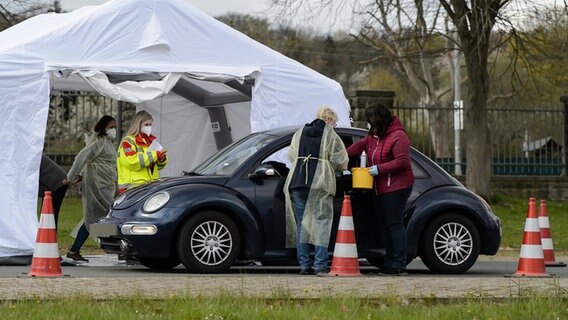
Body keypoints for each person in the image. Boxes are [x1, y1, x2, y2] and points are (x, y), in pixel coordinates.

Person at [346, 103, 414, 276]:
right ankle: (390, 262)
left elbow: (402, 162)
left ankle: (399, 264)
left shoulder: (398, 137)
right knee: (386, 226)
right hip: (380, 188)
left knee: (394, 224)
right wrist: (341, 154)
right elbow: (359, 146)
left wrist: (378, 169)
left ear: (378, 120)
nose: (368, 125)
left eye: (370, 121)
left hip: (397, 186)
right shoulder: (374, 136)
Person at [283, 107, 349, 275]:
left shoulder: (299, 132)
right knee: (321, 223)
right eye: (333, 122)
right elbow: (340, 161)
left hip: (298, 182)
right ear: (328, 120)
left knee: (302, 225)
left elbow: (291, 155)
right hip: (320, 183)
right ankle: (320, 265)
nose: (333, 125)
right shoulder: (331, 135)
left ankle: (304, 265)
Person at [64, 115, 118, 262]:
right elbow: (82, 158)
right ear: (104, 127)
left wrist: (80, 175)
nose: (114, 130)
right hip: (97, 185)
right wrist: (71, 176)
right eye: (111, 127)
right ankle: (116, 245)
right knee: (109, 213)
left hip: (106, 183)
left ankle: (75, 249)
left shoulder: (107, 142)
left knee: (94, 218)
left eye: (115, 127)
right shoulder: (98, 141)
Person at [117, 110, 168, 193]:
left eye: (150, 125)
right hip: (132, 188)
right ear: (138, 124)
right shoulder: (128, 142)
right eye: (146, 125)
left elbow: (157, 166)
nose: (149, 127)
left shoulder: (149, 141)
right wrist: (155, 155)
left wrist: (161, 159)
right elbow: (131, 161)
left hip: (149, 186)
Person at [38, 155, 69, 229]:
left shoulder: (30, 157)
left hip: (57, 184)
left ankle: (49, 238)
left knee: (49, 216)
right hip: (56, 182)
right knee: (47, 216)